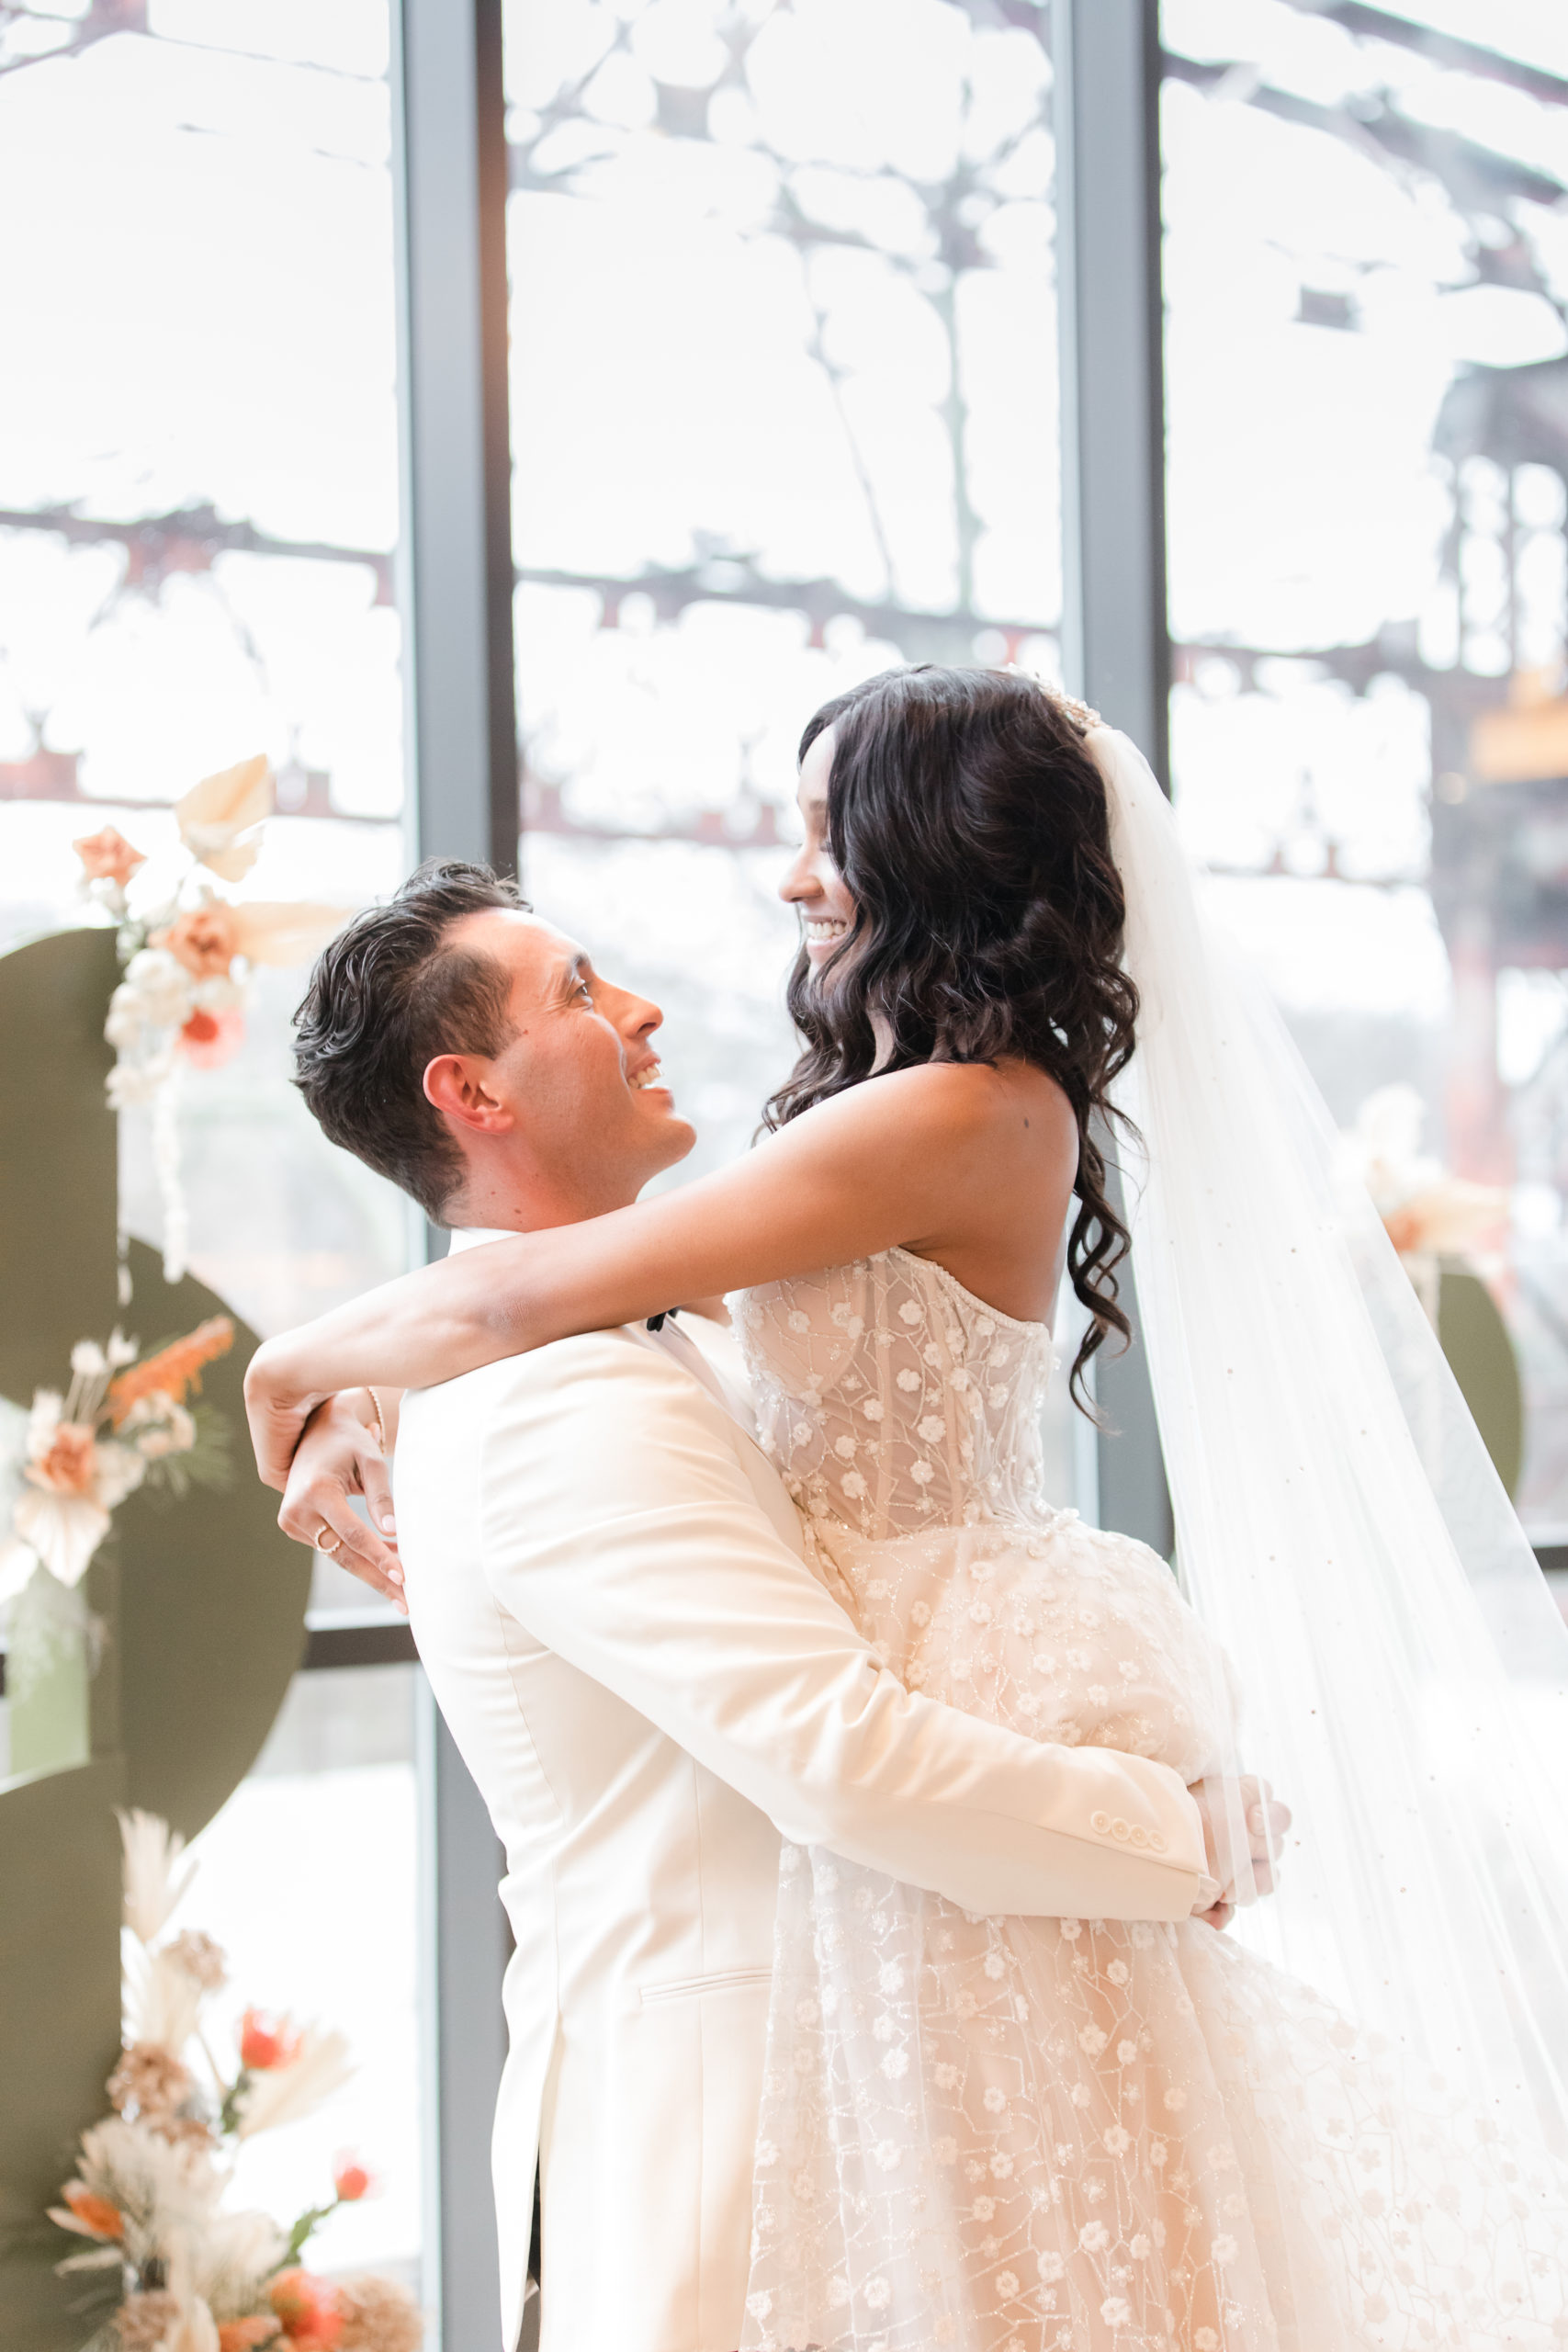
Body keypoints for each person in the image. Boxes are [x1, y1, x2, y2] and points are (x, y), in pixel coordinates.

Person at [252, 669, 1568, 2348]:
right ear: (475, 1098)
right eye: (582, 988)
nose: (792, 879)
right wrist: (374, 1379)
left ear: (923, 851)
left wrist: (288, 1364)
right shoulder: (632, 1350)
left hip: (936, 1772)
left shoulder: (950, 1115)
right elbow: (567, 1318)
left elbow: (536, 1298)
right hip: (862, 1890)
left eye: (823, 834)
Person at [265, 857, 1261, 2352]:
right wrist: (1184, 1834)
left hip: (853, 2109)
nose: (645, 1011)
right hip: (724, 2151)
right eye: (583, 995)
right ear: (472, 1092)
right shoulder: (556, 1409)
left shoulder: (660, 1348)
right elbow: (840, 1756)